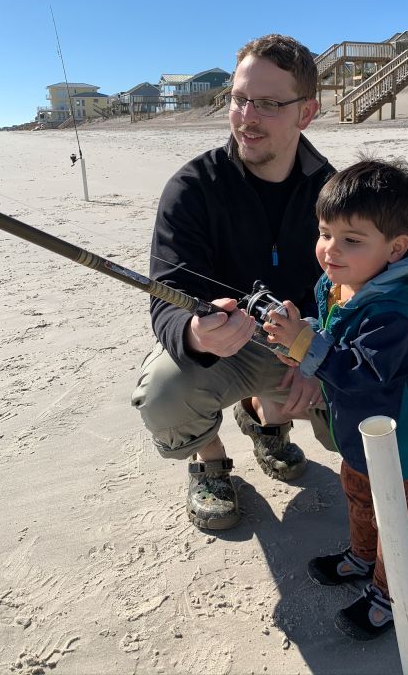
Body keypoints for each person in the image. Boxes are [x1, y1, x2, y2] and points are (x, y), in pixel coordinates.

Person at [131, 34, 335, 531]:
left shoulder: (333, 189)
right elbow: (167, 298)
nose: (247, 117)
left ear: (305, 113)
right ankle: (210, 456)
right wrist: (195, 334)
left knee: (376, 402)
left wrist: (315, 357)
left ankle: (264, 419)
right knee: (164, 393)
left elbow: (355, 294)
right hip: (224, 351)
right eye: (240, 99)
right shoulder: (191, 188)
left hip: (303, 345)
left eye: (268, 104)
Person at [264, 157, 408, 641]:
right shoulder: (341, 286)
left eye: (352, 240)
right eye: (325, 232)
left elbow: (360, 373)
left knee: (393, 515)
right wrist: (306, 335)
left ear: (395, 248)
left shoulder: (396, 314)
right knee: (357, 493)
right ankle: (361, 554)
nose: (330, 250)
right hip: (365, 434)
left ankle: (390, 592)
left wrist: (305, 346)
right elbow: (332, 337)